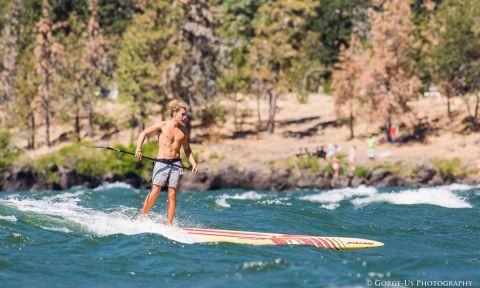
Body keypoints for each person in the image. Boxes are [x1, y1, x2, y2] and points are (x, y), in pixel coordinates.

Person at [135, 99, 198, 225]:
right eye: (182, 114)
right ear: (174, 114)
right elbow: (144, 133)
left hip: (176, 164)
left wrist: (193, 162)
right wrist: (138, 149)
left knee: (172, 193)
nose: (185, 117)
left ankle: (169, 223)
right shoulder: (162, 125)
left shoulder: (184, 131)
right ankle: (142, 217)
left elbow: (186, 149)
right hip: (161, 163)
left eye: (185, 114)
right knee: (155, 191)